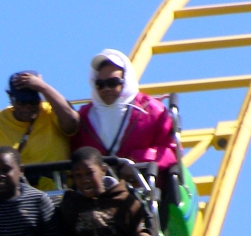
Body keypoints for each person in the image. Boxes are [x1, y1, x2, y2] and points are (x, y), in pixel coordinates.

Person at [70, 50, 181, 224]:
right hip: (99, 200)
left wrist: (138, 160)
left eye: (113, 83)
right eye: (100, 84)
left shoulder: (152, 110)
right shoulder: (85, 117)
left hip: (143, 191)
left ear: (125, 81)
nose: (106, 89)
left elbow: (171, 150)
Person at [0, 72, 79, 190]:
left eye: (33, 102)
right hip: (14, 194)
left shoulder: (51, 111)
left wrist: (43, 87)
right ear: (11, 98)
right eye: (22, 102)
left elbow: (72, 123)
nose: (28, 107)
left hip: (56, 190)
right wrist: (5, 163)